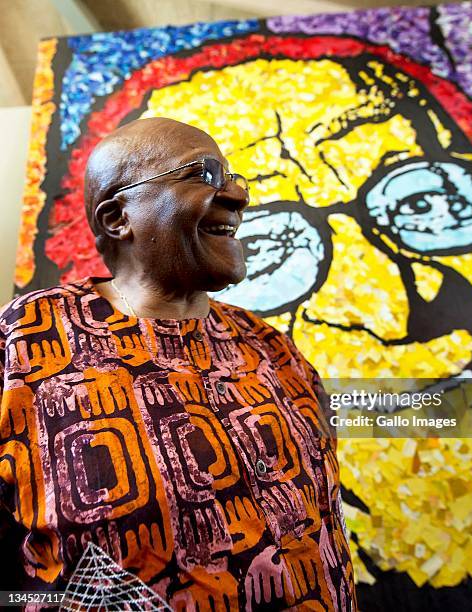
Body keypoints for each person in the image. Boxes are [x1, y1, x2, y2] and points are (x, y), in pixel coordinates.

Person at [0, 117, 356, 610]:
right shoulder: (26, 337)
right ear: (117, 219)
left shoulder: (274, 347)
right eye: (204, 175)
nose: (237, 196)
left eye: (234, 179)